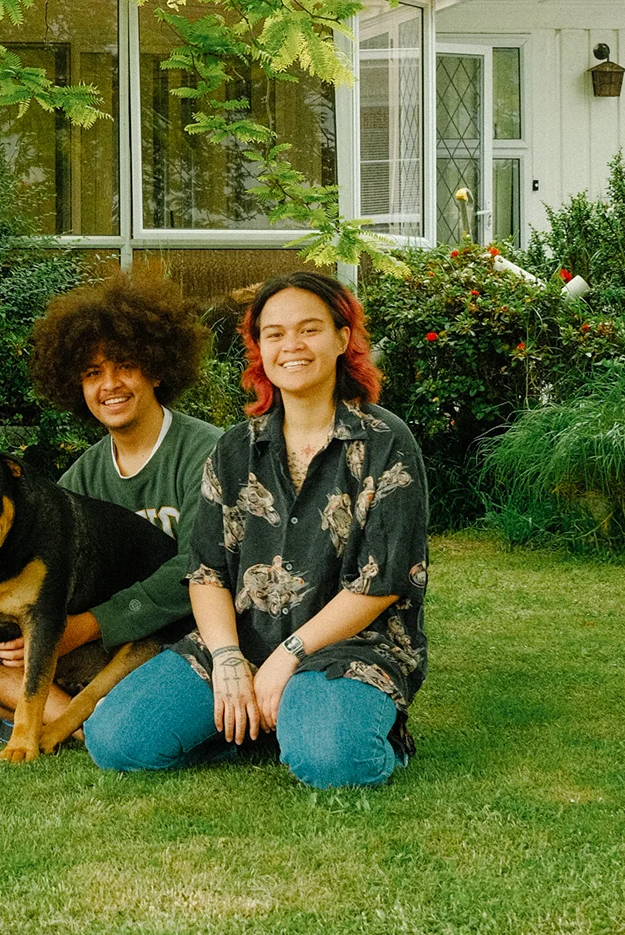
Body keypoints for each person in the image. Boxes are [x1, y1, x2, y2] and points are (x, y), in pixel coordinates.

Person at [82, 272, 430, 788]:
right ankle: (265, 726)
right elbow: (206, 573)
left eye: (309, 330)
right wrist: (225, 660)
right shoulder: (234, 448)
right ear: (259, 349)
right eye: (274, 333)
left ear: (341, 338)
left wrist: (288, 656)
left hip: (347, 648)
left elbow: (380, 583)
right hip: (243, 640)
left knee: (332, 762)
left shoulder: (385, 442)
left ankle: (331, 727)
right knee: (115, 740)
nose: (291, 345)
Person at [0, 271, 222, 731]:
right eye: (93, 373)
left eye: (124, 366)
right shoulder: (84, 474)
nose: (109, 384)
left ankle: (72, 718)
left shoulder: (208, 453)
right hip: (84, 646)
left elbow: (201, 567)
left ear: (157, 368)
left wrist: (92, 625)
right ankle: (68, 716)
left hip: (180, 637)